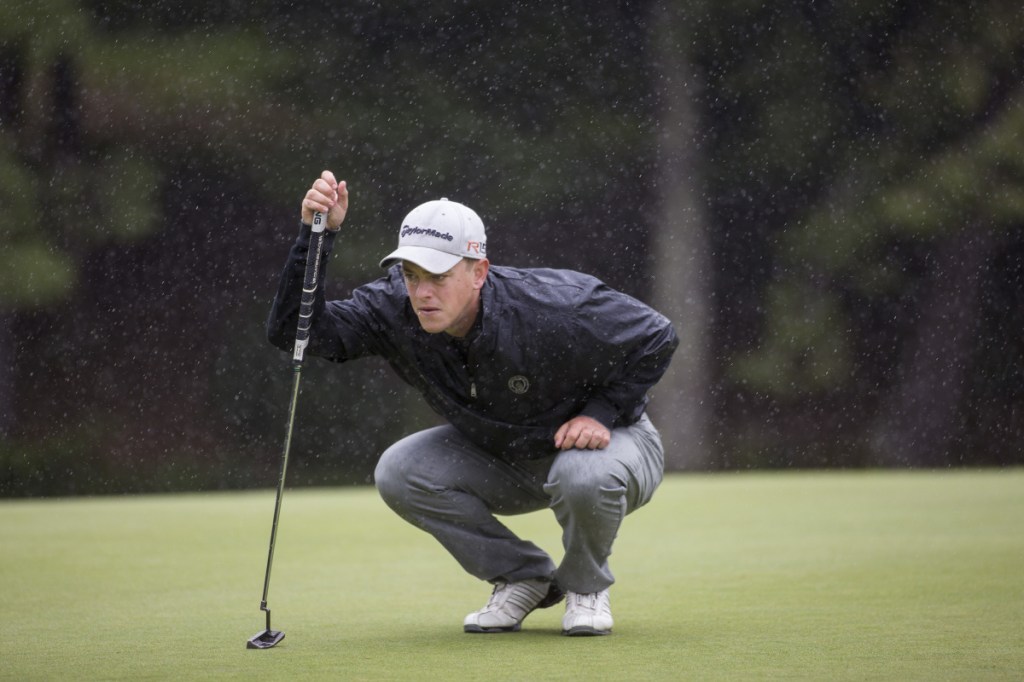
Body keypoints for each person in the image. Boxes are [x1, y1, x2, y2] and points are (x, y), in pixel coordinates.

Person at [267, 170, 678, 636]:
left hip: (615, 446)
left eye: (438, 277)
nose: (422, 293)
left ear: (478, 271)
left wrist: (600, 413)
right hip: (506, 453)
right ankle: (524, 578)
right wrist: (315, 235)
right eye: (411, 275)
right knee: (399, 471)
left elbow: (657, 335)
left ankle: (585, 586)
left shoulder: (553, 305)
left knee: (581, 473)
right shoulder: (392, 309)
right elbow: (295, 333)